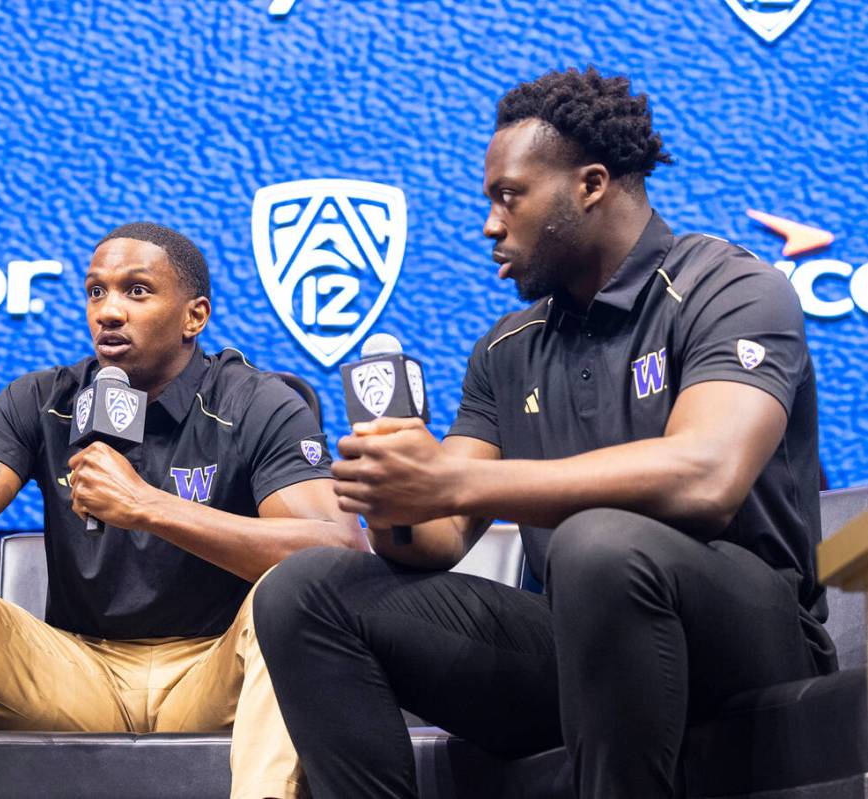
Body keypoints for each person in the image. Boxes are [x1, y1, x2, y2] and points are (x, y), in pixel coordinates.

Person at [252, 67, 837, 799]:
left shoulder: (728, 286)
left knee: (598, 541)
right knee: (303, 590)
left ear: (589, 184)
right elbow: (436, 537)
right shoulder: (509, 346)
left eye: (508, 196)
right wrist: (393, 488)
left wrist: (453, 479)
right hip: (582, 644)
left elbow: (706, 475)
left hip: (749, 641)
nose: (490, 224)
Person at [0, 222, 365, 799]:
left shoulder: (257, 402)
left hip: (215, 673)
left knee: (297, 594)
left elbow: (336, 550)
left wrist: (147, 506)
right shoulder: (42, 401)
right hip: (77, 672)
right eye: (96, 291)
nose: (109, 311)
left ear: (194, 316)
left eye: (137, 291)